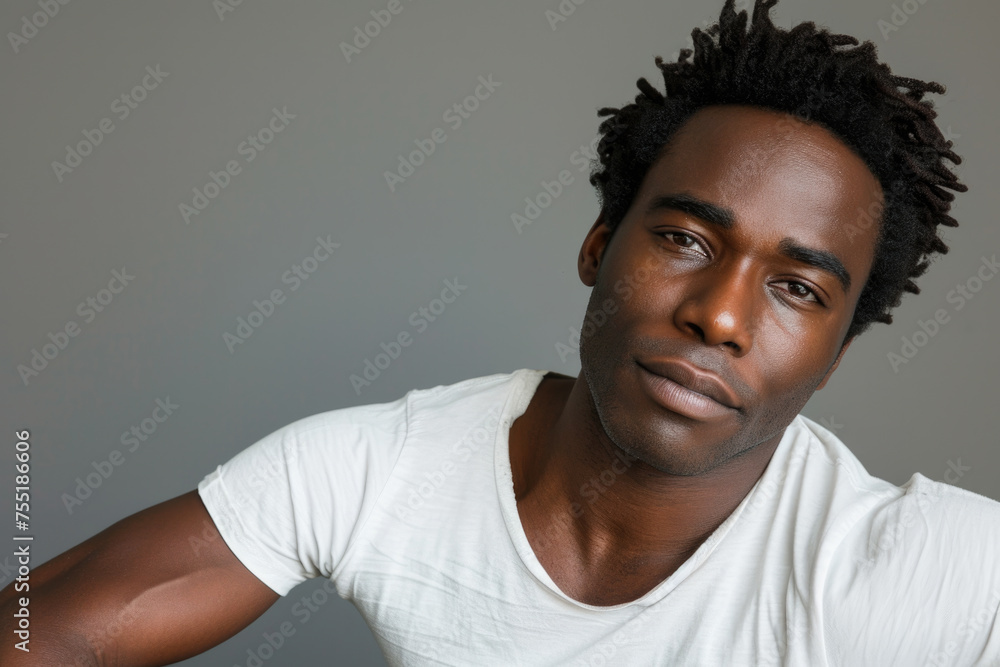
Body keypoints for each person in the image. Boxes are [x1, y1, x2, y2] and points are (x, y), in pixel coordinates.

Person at [3, 0, 998, 664]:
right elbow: (54, 626)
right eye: (687, 239)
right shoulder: (388, 469)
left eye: (795, 288)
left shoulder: (926, 568)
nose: (720, 315)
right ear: (598, 246)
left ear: (834, 358)